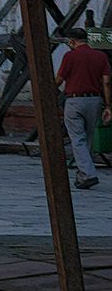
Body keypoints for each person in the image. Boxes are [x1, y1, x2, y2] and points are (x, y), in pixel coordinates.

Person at [56, 26, 111, 189]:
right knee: (88, 138)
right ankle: (83, 174)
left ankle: (88, 174)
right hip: (95, 100)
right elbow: (106, 82)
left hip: (74, 100)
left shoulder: (70, 56)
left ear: (72, 41)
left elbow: (59, 79)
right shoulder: (100, 56)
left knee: (77, 138)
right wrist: (108, 106)